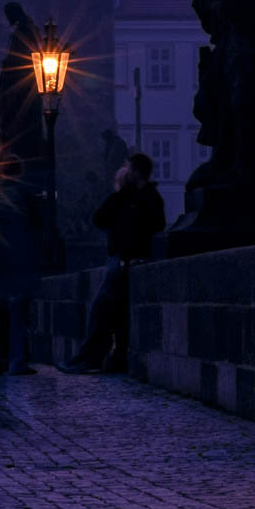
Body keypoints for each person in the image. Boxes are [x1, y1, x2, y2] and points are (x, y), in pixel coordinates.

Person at [63, 153, 167, 373]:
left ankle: (90, 358)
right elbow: (100, 218)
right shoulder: (133, 197)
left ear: (136, 171)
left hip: (125, 260)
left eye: (127, 167)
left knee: (101, 309)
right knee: (116, 313)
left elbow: (152, 226)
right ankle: (110, 358)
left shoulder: (144, 197)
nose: (124, 171)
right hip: (122, 260)